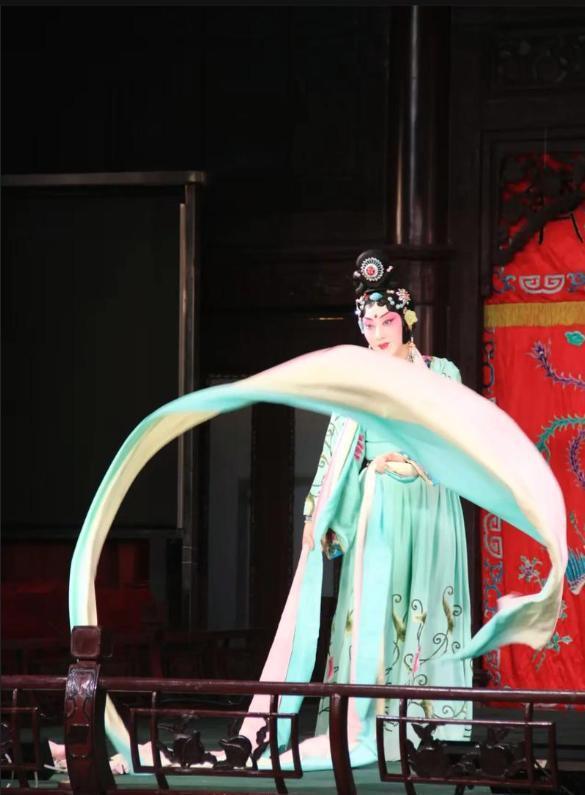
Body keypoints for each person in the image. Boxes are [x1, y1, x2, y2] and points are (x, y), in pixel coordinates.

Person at [244, 250, 472, 770]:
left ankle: (433, 726)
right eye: (368, 324)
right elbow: (336, 452)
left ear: (406, 319)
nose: (378, 332)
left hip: (431, 504)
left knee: (429, 605)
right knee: (373, 609)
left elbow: (460, 438)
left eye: (386, 321)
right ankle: (365, 724)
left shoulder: (442, 373)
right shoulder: (358, 381)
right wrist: (315, 513)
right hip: (379, 502)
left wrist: (421, 462)